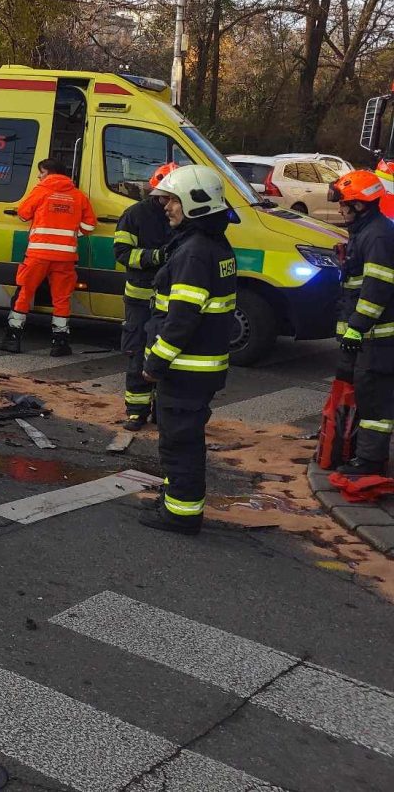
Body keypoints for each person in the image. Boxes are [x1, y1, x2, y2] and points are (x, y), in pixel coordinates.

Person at [140, 164, 237, 535]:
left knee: (179, 442)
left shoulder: (194, 252)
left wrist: (155, 363)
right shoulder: (212, 244)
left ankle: (180, 515)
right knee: (182, 439)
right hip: (199, 369)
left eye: (173, 201)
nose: (166, 207)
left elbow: (180, 320)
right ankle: (175, 501)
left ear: (196, 204)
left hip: (185, 369)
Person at [330, 169, 394, 476]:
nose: (340, 210)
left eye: (345, 204)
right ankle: (349, 446)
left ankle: (369, 463)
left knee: (375, 404)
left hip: (378, 338)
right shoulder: (367, 232)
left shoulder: (377, 235)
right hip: (366, 336)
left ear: (360, 205)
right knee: (361, 394)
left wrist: (357, 325)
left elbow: (376, 287)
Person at [0, 158, 97, 355]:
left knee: (25, 293)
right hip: (65, 257)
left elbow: (23, 214)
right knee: (61, 299)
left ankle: (13, 338)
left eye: (41, 173)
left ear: (50, 173)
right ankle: (59, 343)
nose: (39, 176)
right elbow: (89, 226)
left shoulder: (41, 191)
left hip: (38, 255)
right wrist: (70, 233)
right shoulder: (78, 196)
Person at [113, 162, 176, 430]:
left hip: (170, 300)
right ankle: (136, 412)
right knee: (138, 354)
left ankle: (162, 412)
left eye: (172, 197)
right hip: (140, 300)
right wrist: (155, 257)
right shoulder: (135, 215)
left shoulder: (184, 216)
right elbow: (122, 254)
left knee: (165, 357)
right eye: (164, 196)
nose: (167, 203)